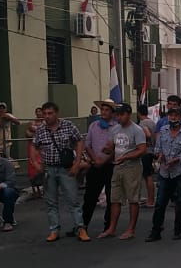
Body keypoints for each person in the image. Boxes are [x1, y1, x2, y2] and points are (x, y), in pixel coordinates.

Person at [33, 101, 88, 243]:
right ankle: (54, 230)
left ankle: (80, 228)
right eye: (45, 114)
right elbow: (34, 146)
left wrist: (77, 163)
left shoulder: (68, 126)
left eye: (50, 113)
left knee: (73, 199)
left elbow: (79, 141)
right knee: (51, 201)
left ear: (56, 113)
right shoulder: (40, 130)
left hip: (66, 168)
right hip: (49, 168)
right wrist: (35, 163)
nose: (47, 116)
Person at [147, 105, 181, 241]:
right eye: (171, 115)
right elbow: (157, 148)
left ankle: (178, 229)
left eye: (175, 116)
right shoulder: (163, 130)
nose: (172, 118)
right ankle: (155, 231)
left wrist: (177, 159)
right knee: (160, 202)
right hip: (164, 171)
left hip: (180, 171)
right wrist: (159, 155)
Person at [102, 103, 146, 240]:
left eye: (121, 114)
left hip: (131, 167)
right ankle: (111, 228)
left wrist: (126, 156)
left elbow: (142, 149)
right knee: (115, 199)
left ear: (128, 114)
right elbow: (112, 146)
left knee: (133, 198)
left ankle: (131, 229)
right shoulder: (115, 129)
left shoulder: (137, 130)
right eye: (117, 115)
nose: (119, 117)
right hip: (117, 166)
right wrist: (108, 150)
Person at [81, 101, 116, 233]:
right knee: (90, 196)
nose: (104, 112)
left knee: (111, 197)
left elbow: (117, 147)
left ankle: (108, 226)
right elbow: (88, 144)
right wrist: (95, 159)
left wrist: (105, 159)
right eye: (103, 109)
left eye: (107, 110)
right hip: (95, 165)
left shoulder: (116, 127)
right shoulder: (93, 126)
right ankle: (82, 225)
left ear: (112, 113)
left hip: (110, 166)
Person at [137, 103, 157, 207]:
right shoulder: (152, 122)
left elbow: (148, 134)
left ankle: (150, 200)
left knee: (147, 176)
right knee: (148, 176)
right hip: (152, 150)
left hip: (146, 151)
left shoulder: (142, 123)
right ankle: (150, 199)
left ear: (139, 113)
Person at [26, 106, 46, 199]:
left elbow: (43, 133)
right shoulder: (32, 122)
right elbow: (27, 134)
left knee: (42, 165)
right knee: (32, 166)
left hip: (42, 147)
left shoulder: (45, 122)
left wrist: (34, 131)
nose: (38, 113)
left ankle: (44, 189)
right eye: (37, 111)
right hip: (32, 146)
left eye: (40, 111)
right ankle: (35, 190)